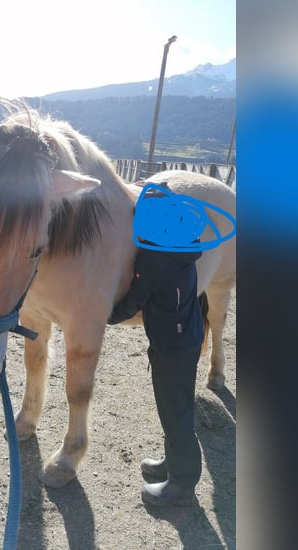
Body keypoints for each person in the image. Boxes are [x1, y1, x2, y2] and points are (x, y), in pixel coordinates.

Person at [107, 187, 205, 507]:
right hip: (185, 337)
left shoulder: (154, 255)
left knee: (175, 411)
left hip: (171, 346)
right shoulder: (182, 242)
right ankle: (174, 461)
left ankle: (181, 486)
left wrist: (102, 316)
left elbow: (135, 299)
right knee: (176, 407)